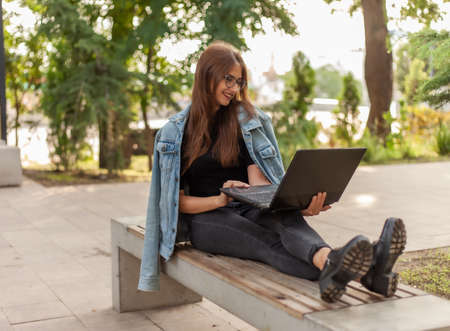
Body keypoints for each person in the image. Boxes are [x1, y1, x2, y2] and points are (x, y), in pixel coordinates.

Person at [138, 41, 407, 303]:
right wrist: (221, 198)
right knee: (265, 242)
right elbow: (175, 204)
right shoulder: (175, 133)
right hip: (206, 218)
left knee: (285, 220)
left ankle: (343, 267)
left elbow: (258, 183)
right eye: (228, 79)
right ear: (207, 75)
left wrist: (293, 204)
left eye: (239, 82)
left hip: (247, 207)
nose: (234, 88)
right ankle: (370, 269)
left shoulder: (245, 121)